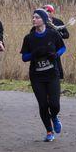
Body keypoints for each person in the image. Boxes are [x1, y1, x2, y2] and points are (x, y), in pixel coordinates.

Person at [20, 8, 66, 142]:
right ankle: (49, 131)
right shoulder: (29, 38)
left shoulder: (53, 34)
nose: (34, 19)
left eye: (37, 17)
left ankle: (55, 117)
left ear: (44, 20)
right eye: (33, 17)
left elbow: (63, 47)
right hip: (37, 77)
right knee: (43, 105)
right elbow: (24, 57)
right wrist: (34, 54)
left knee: (54, 104)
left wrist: (56, 54)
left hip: (52, 74)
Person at [43, 4, 69, 79]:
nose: (47, 13)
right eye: (45, 11)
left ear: (53, 12)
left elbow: (66, 35)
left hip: (55, 46)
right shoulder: (41, 22)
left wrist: (59, 34)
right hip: (43, 46)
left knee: (56, 62)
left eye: (49, 11)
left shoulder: (58, 22)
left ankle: (59, 78)